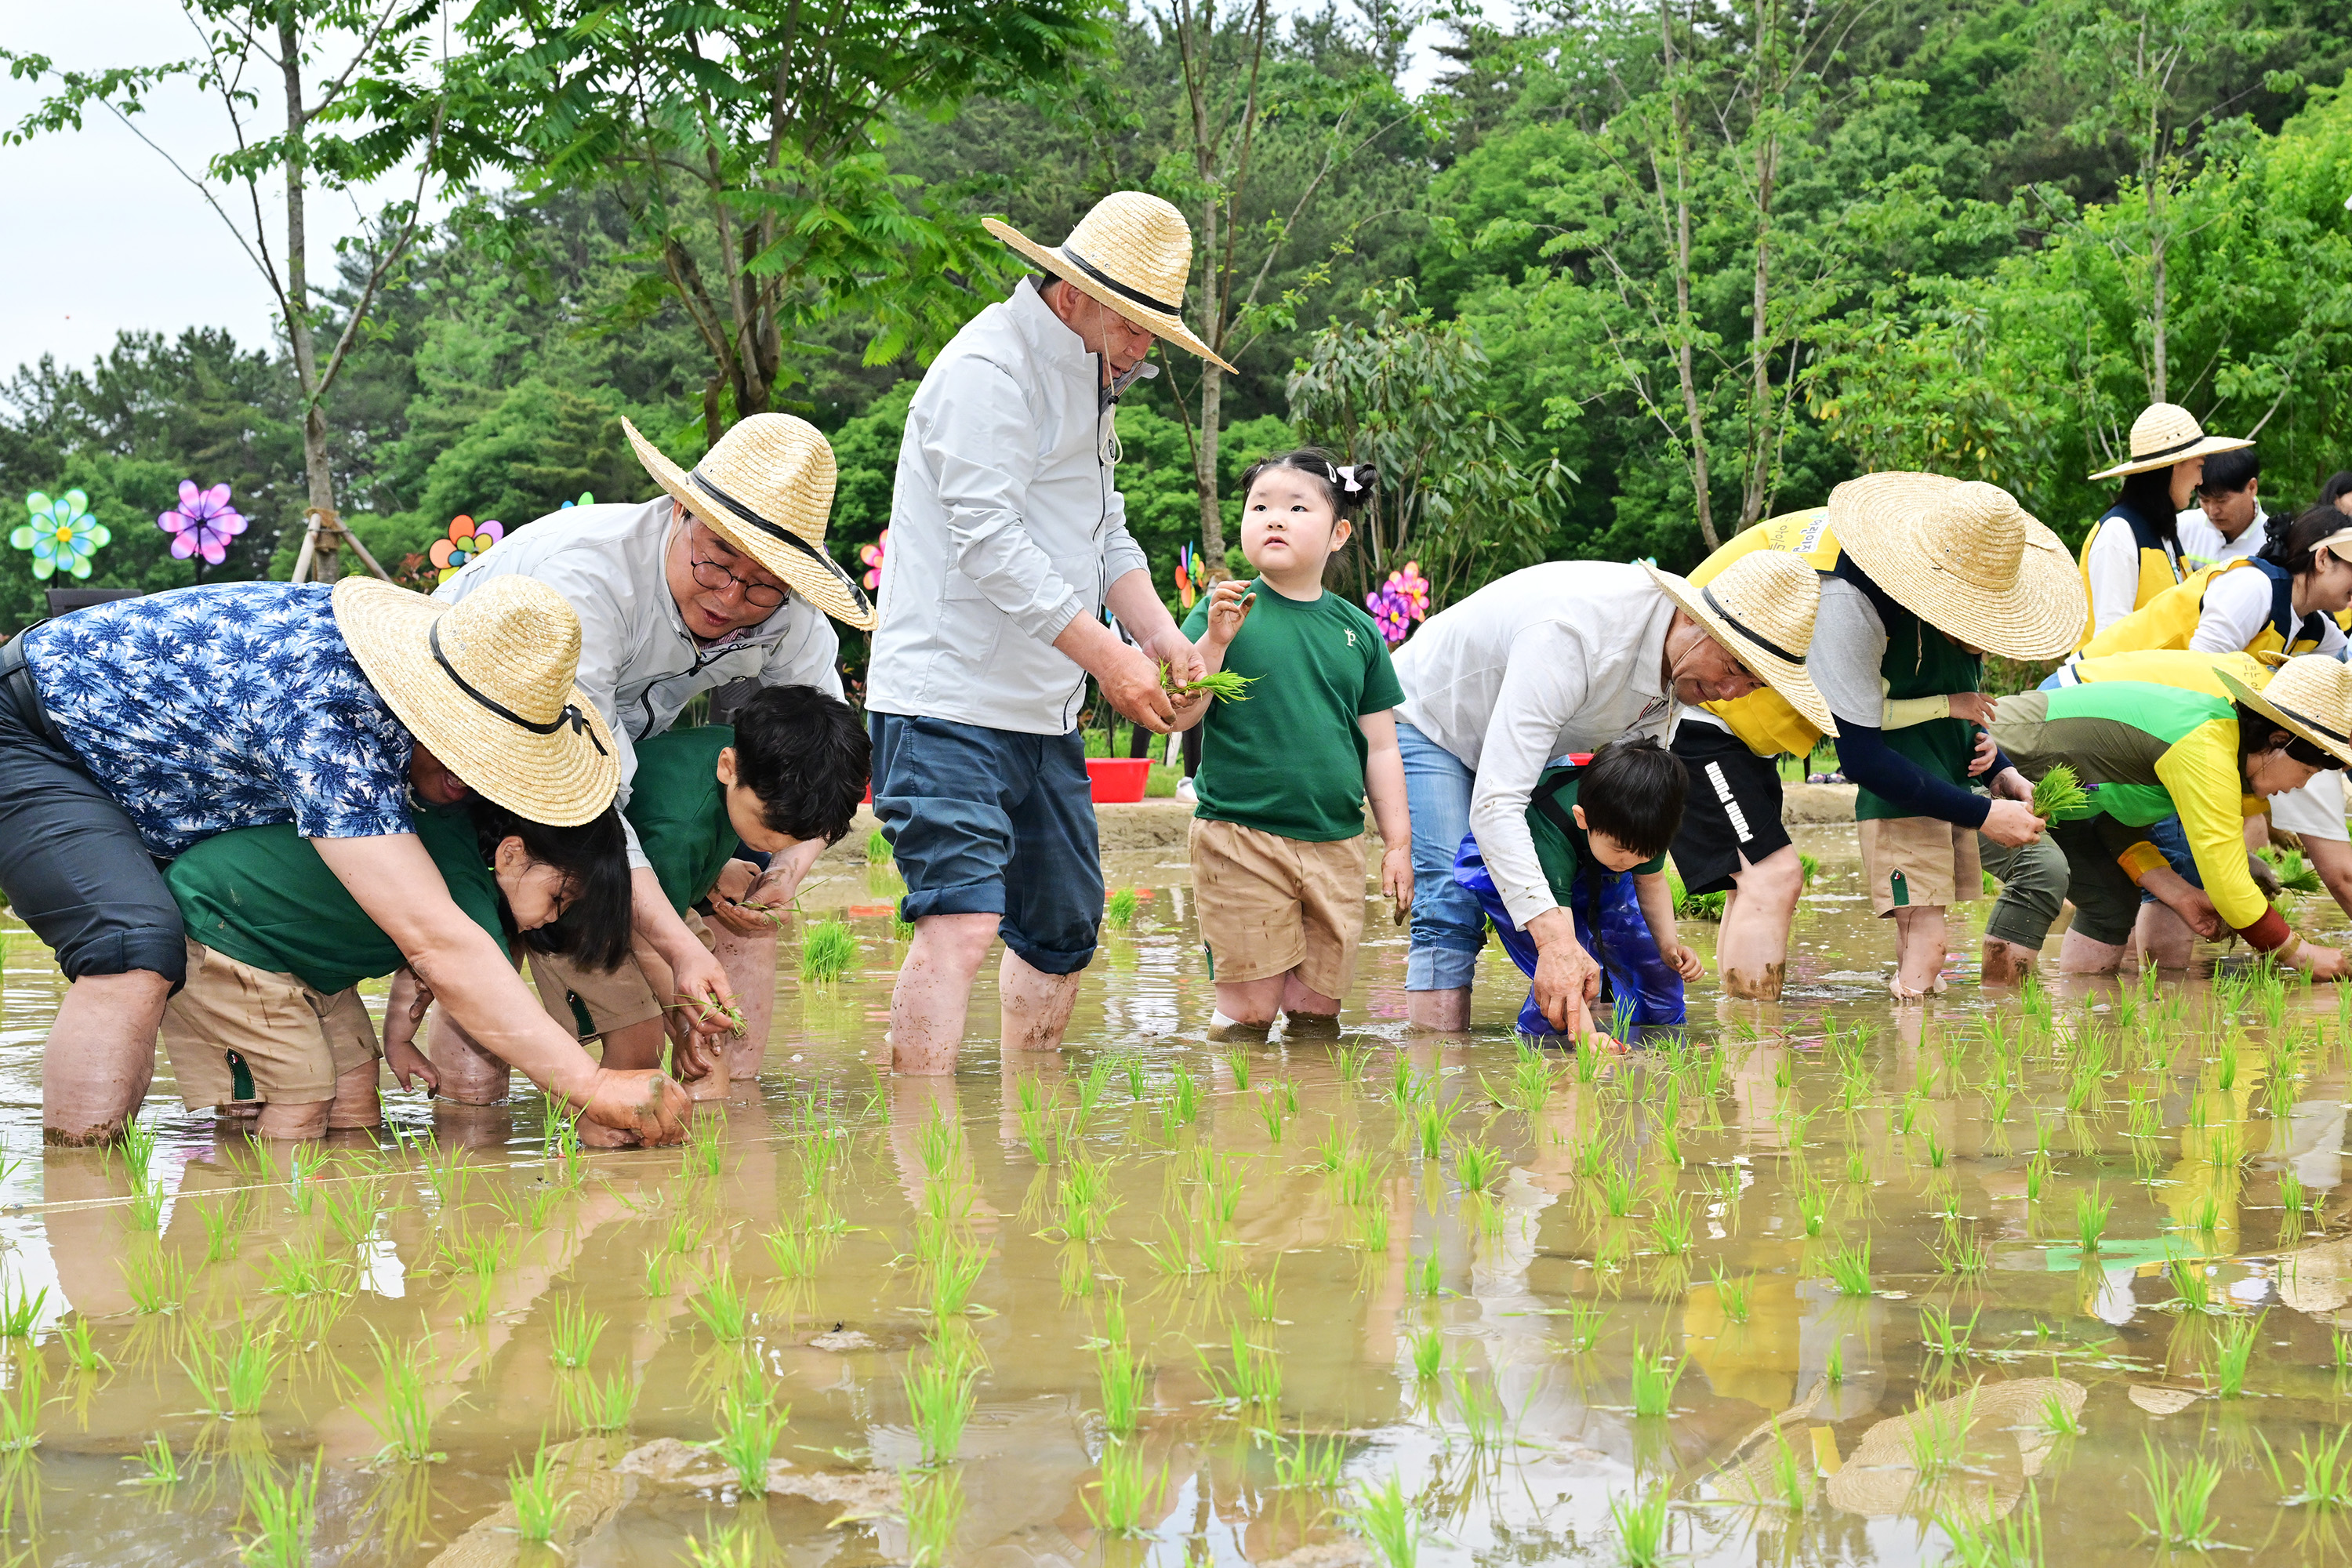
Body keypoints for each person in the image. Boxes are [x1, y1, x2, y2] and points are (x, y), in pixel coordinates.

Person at [0, 575, 688, 1146]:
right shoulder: (330, 716)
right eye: (458, 739)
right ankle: (82, 1197)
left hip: (155, 780)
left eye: (492, 759)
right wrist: (590, 1086)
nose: (467, 777)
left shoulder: (398, 712)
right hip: (34, 734)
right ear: (418, 694)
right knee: (134, 946)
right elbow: (436, 941)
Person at [865, 191, 1221, 1074]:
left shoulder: (1094, 382)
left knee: (1063, 922)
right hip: (946, 700)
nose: (1143, 350)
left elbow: (1106, 534)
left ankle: (1028, 1124)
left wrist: (1165, 640)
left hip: (1041, 709)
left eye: (1154, 332)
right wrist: (1109, 659)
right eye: (1134, 325)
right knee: (963, 915)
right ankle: (928, 1155)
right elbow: (990, 542)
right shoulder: (991, 370)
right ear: (1073, 292)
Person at [434, 412, 872, 1095]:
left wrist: (789, 864)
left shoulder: (791, 619)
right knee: (483, 940)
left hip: (595, 755)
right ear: (680, 511)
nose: (730, 599)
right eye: (716, 564)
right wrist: (678, 948)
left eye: (761, 586)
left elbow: (829, 752)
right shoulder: (591, 579)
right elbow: (593, 800)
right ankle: (470, 1128)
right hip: (466, 741)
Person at [1392, 547, 1832, 1036]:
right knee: (1454, 900)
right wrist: (1556, 945)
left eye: (1749, 684)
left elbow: (1634, 810)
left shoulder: (1683, 672)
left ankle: (1585, 1031)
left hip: (1540, 735)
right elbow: (1496, 806)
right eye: (1730, 668)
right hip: (1434, 718)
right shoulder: (1574, 637)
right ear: (1692, 619)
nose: (1729, 693)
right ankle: (1439, 1067)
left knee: (1589, 887)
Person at [1672, 476, 2083, 1000]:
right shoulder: (1845, 598)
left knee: (1750, 884)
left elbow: (1936, 697)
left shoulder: (1897, 567)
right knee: (1770, 880)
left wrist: (1998, 764)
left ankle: (1742, 1040)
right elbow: (1862, 757)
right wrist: (1984, 815)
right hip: (1704, 709)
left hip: (1752, 725)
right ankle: (1751, 1054)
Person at [161, 795, 631, 1138]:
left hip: (302, 960)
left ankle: (331, 1235)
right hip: (224, 929)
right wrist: (585, 1102)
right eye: (559, 898)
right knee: (302, 1102)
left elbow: (421, 968)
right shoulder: (467, 885)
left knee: (357, 1099)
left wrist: (397, 1041)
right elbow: (502, 1022)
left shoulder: (463, 857)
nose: (553, 917)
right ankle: (277, 1227)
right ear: (512, 855)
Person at [1177, 448, 1410, 1038]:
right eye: (1260, 507)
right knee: (1249, 1013)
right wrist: (1215, 643)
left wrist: (1398, 844)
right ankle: (1239, 1123)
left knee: (1316, 1012)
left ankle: (1312, 1123)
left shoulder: (1358, 632)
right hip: (1240, 835)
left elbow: (1380, 747)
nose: (1273, 518)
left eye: (1295, 507)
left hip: (1335, 843)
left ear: (1338, 533)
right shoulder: (1224, 610)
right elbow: (1183, 714)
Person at [532, 685, 869, 1092]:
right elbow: (653, 935)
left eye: (796, 837)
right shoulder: (680, 833)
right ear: (729, 768)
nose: (778, 846)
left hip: (648, 886)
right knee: (638, 1040)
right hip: (579, 905)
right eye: (770, 827)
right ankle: (605, 1136)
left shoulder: (743, 754)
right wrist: (682, 1020)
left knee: (708, 1033)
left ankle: (698, 1137)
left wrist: (713, 871)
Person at [1982, 655, 2352, 978]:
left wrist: (2181, 896)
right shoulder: (2205, 748)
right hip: (1979, 768)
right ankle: (2005, 1011)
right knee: (2041, 869)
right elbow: (2229, 884)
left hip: (2058, 805)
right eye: (2308, 771)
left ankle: (2085, 1018)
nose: (2301, 786)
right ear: (2278, 741)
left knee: (2110, 900)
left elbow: (2115, 821)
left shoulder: (2219, 743)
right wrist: (2300, 954)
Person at [1453, 737, 1700, 1044]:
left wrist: (1668, 945)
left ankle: (1666, 1035)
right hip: (1522, 876)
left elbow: (1650, 881)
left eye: (1645, 854)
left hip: (1593, 861)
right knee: (1567, 969)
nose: (1633, 862)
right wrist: (1586, 1037)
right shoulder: (1555, 827)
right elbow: (1561, 948)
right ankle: (1545, 1043)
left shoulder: (1646, 826)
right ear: (1583, 818)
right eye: (1623, 850)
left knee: (1652, 961)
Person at [2078, 403, 2251, 644]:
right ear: (2174, 466)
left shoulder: (2162, 530)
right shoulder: (2119, 533)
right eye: (2199, 467)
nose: (2200, 480)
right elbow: (2110, 642)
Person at [2177, 446, 2269, 570]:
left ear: (2251, 488)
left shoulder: (2272, 542)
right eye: (2204, 500)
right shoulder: (2181, 527)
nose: (2212, 512)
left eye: (2222, 501)